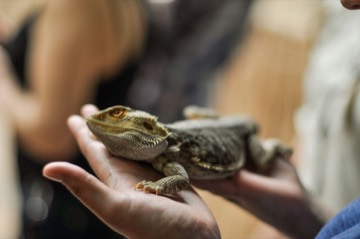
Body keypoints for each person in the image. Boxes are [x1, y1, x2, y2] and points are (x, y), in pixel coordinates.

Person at [42, 0, 360, 238]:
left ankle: (272, 148)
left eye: (119, 116)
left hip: (240, 135)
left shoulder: (169, 157)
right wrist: (303, 214)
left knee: (261, 154)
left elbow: (178, 179)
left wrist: (157, 187)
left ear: (148, 127)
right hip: (217, 130)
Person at [0, 0, 252, 238]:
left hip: (65, 205)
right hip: (98, 201)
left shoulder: (76, 8)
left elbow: (52, 137)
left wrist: (4, 81)